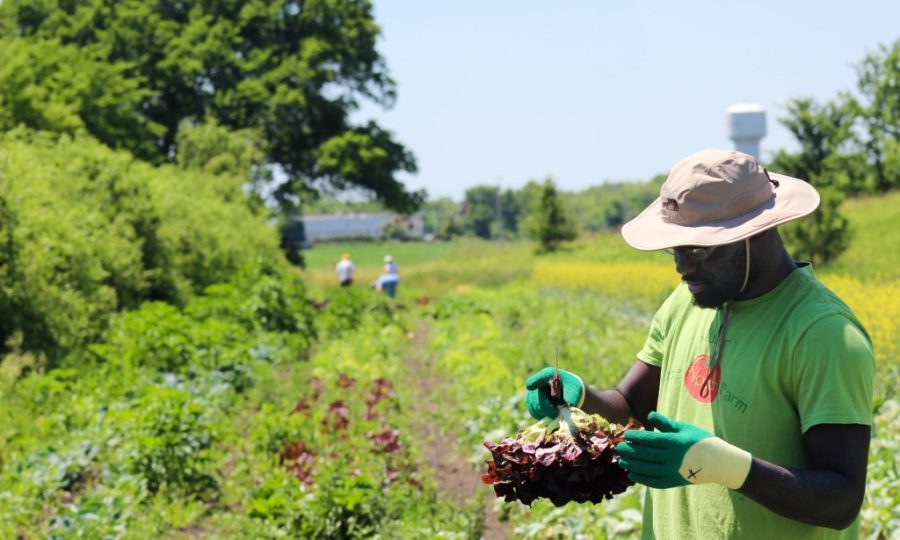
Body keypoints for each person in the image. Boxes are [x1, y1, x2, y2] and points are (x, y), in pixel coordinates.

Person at [525, 149, 874, 539]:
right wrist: (579, 397)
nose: (681, 265)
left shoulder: (822, 332)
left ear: (753, 233)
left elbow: (841, 500)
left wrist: (729, 467)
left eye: (698, 248)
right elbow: (631, 408)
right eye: (675, 248)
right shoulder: (686, 302)